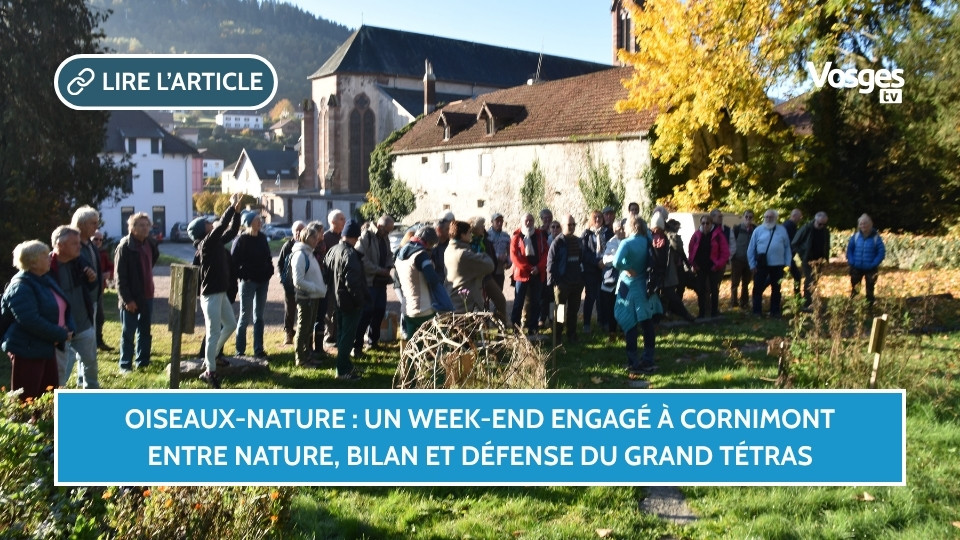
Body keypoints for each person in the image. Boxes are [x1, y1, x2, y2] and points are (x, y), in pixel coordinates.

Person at [2, 240, 73, 399]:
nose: (49, 257)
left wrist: (69, 327)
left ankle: (47, 424)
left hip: (45, 346)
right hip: (27, 349)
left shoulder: (44, 280)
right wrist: (60, 334)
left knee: (48, 396)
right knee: (27, 398)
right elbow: (29, 320)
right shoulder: (20, 286)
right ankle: (27, 424)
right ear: (32, 261)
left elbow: (63, 305)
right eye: (44, 255)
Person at [190, 194, 243, 388]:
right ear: (201, 231)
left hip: (219, 293)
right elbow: (221, 226)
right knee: (213, 332)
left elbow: (233, 229)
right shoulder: (206, 244)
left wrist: (236, 213)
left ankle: (210, 358)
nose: (210, 224)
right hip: (210, 294)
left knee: (230, 325)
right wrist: (230, 207)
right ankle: (209, 371)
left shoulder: (216, 242)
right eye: (206, 224)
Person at [49, 226, 99, 388]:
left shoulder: (80, 262)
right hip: (61, 328)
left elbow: (91, 288)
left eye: (79, 243)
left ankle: (92, 393)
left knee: (90, 363)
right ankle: (57, 401)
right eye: (74, 243)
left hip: (83, 322)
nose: (79, 246)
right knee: (60, 369)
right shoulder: (47, 267)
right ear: (60, 245)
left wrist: (92, 280)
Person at [613, 215, 662, 375]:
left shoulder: (626, 243)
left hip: (628, 286)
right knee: (646, 322)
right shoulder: (647, 240)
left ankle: (633, 361)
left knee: (630, 323)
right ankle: (648, 358)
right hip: (643, 285)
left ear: (631, 227)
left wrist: (627, 268)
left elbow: (616, 262)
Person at [115, 212, 158, 372]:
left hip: (148, 295)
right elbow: (120, 277)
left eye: (147, 225)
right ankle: (125, 365)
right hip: (131, 298)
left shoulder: (150, 243)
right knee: (128, 333)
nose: (145, 228)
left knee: (145, 331)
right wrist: (127, 300)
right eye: (141, 225)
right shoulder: (124, 246)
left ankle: (143, 362)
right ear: (132, 228)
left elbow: (151, 261)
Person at [324, 220, 368, 380]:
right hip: (350, 301)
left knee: (342, 333)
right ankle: (342, 370)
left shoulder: (332, 250)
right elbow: (353, 282)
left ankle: (345, 365)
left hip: (336, 298)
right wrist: (360, 300)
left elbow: (326, 274)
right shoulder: (350, 254)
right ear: (355, 237)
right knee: (347, 337)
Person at [232, 211, 274, 360]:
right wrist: (245, 276)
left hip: (263, 281)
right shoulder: (241, 240)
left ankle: (258, 349)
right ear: (249, 223)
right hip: (249, 283)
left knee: (259, 317)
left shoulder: (262, 238)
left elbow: (268, 257)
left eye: (260, 220)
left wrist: (269, 271)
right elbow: (234, 263)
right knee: (245, 316)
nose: (260, 222)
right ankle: (240, 350)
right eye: (257, 220)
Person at [395, 226, 447, 337]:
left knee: (412, 345)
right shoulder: (421, 255)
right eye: (432, 245)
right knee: (434, 341)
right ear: (428, 242)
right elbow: (432, 279)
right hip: (423, 308)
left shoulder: (400, 254)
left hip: (407, 308)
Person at [355, 215, 395, 355]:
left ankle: (373, 342)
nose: (387, 234)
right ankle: (357, 345)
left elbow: (389, 254)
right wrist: (378, 270)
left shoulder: (384, 237)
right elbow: (361, 258)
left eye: (389, 231)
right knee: (366, 313)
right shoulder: (366, 236)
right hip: (369, 282)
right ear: (379, 226)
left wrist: (389, 266)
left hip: (380, 282)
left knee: (379, 312)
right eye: (386, 231)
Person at [71, 206, 108, 352]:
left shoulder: (91, 244)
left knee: (89, 344)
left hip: (94, 298)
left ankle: (83, 375)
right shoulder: (73, 244)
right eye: (93, 223)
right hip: (79, 300)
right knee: (78, 346)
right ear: (81, 223)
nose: (96, 226)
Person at [291, 223, 327, 368]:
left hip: (314, 297)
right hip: (306, 298)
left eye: (317, 238)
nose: (316, 240)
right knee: (302, 329)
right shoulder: (300, 254)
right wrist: (314, 288)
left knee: (308, 328)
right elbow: (298, 281)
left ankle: (307, 356)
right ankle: (300, 359)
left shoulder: (309, 253)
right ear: (306, 238)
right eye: (313, 238)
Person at [547, 213, 585, 342]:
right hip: (563, 283)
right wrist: (557, 282)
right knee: (560, 312)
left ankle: (572, 335)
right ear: (563, 226)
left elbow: (582, 260)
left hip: (576, 283)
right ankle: (557, 337)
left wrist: (581, 280)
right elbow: (550, 264)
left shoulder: (579, 241)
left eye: (574, 224)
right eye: (569, 224)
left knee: (573, 311)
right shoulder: (557, 243)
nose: (572, 227)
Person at [650, 214, 695, 323]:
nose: (657, 230)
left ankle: (685, 315)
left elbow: (678, 247)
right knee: (655, 297)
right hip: (654, 272)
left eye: (659, 228)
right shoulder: (649, 237)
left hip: (666, 272)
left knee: (671, 296)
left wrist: (670, 232)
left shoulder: (668, 237)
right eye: (655, 228)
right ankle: (657, 319)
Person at [748, 209, 792, 317]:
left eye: (771, 217)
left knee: (776, 289)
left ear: (775, 218)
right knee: (757, 288)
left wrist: (788, 263)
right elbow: (751, 249)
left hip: (778, 265)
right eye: (766, 217)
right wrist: (752, 264)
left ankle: (775, 311)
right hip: (761, 265)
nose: (768, 219)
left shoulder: (782, 230)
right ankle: (757, 311)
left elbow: (787, 248)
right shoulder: (758, 230)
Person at [510, 213, 548, 336]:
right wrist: (529, 268)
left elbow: (545, 253)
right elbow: (514, 257)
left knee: (536, 302)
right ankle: (515, 327)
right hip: (522, 274)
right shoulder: (516, 236)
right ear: (522, 222)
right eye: (526, 220)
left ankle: (533, 327)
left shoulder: (539, 235)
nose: (529, 223)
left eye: (531, 220)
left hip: (537, 274)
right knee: (519, 302)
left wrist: (538, 267)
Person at [446, 220, 494, 313]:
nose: (471, 235)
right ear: (462, 235)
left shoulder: (449, 249)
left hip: (454, 299)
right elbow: (489, 265)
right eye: (469, 232)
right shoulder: (463, 254)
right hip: (466, 303)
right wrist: (481, 253)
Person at [688, 214, 729, 318]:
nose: (705, 225)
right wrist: (693, 263)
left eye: (707, 223)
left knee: (714, 290)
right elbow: (691, 249)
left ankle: (714, 312)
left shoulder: (718, 235)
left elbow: (725, 252)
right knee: (701, 290)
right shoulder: (697, 235)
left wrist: (718, 264)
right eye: (703, 223)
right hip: (700, 267)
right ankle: (701, 312)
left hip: (713, 267)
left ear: (711, 223)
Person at [470, 217, 506, 323]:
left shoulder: (486, 240)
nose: (483, 228)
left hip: (488, 276)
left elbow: (492, 258)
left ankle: (501, 327)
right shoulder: (468, 242)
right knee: (480, 305)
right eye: (481, 226)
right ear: (475, 228)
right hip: (474, 278)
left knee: (500, 300)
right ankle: (481, 331)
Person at [792, 211, 831, 308]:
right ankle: (807, 303)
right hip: (807, 259)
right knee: (809, 280)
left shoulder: (825, 231)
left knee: (815, 280)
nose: (821, 225)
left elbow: (827, 245)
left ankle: (812, 301)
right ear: (815, 220)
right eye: (820, 223)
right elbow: (794, 243)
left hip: (819, 260)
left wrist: (826, 258)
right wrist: (802, 254)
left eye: (824, 224)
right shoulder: (806, 228)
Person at [277, 221, 306, 345]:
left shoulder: (307, 245)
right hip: (290, 284)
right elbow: (280, 263)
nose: (299, 233)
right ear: (293, 232)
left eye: (301, 230)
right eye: (296, 231)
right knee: (290, 309)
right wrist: (283, 279)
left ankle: (303, 335)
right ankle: (288, 333)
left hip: (304, 283)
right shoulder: (288, 246)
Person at [846, 213, 886, 305]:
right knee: (855, 288)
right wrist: (852, 262)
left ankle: (869, 307)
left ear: (870, 224)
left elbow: (881, 252)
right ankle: (854, 306)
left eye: (865, 223)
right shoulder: (855, 237)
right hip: (856, 267)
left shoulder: (876, 238)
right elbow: (849, 250)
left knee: (870, 289)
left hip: (871, 268)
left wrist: (874, 263)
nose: (863, 225)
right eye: (861, 224)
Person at [322, 209, 346, 350]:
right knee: (330, 311)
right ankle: (329, 337)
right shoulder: (325, 238)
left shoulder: (342, 236)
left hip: (342, 280)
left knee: (340, 310)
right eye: (341, 218)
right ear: (333, 222)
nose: (344, 221)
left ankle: (338, 335)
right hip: (330, 281)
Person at [600, 218, 626, 339]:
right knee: (611, 308)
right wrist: (618, 257)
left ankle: (623, 331)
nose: (620, 231)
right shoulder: (611, 242)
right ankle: (612, 332)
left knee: (624, 306)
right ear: (614, 230)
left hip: (625, 279)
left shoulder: (628, 241)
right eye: (617, 229)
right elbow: (605, 260)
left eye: (622, 228)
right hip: (611, 281)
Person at [581, 210, 605, 333]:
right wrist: (597, 262)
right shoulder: (586, 234)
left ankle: (602, 322)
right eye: (595, 217)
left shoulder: (607, 232)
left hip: (605, 269)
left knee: (602, 297)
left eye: (600, 217)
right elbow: (584, 254)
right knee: (590, 297)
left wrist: (605, 261)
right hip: (591, 270)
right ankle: (586, 324)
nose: (597, 219)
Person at [91, 229, 114, 350]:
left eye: (100, 239)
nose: (98, 241)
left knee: (100, 317)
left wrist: (109, 273)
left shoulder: (103, 253)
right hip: (88, 292)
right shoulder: (84, 252)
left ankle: (99, 342)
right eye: (96, 239)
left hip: (100, 290)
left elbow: (111, 267)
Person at [730, 210, 756, 309]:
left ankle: (744, 302)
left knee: (746, 283)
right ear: (743, 217)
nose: (748, 219)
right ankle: (733, 302)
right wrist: (732, 257)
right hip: (737, 260)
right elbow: (732, 243)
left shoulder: (755, 229)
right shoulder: (736, 229)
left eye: (750, 217)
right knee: (735, 283)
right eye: (746, 217)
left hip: (749, 261)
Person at [487, 212, 511, 292]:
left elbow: (509, 252)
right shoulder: (486, 235)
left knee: (499, 292)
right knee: (487, 294)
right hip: (488, 270)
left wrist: (509, 262)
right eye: (497, 221)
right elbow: (485, 252)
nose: (499, 223)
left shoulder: (506, 236)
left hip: (500, 269)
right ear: (492, 222)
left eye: (501, 221)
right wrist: (497, 256)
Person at [783, 208, 804, 296]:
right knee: (796, 276)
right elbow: (791, 242)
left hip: (788, 256)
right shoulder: (789, 226)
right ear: (794, 216)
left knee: (797, 276)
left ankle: (797, 296)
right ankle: (797, 297)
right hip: (786, 256)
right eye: (800, 217)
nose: (801, 219)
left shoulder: (790, 225)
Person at [432, 211, 455, 280]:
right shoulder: (430, 246)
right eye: (448, 229)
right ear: (439, 230)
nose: (452, 232)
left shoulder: (453, 243)